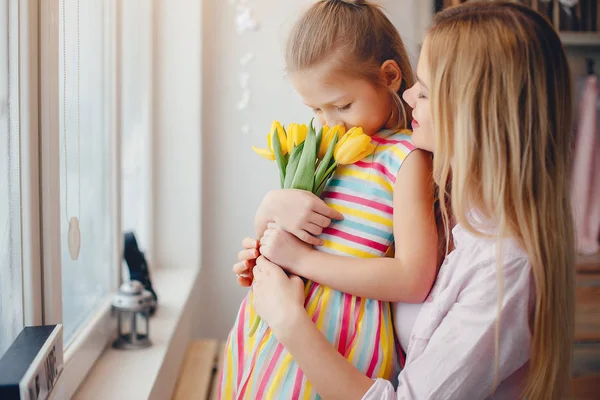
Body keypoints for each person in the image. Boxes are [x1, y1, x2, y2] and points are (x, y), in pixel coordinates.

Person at [241, 2, 576, 399]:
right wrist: (271, 230)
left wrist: (288, 319)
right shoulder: (450, 206)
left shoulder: (503, 267)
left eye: (428, 90)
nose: (409, 93)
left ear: (476, 113)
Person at [220, 0, 440, 398]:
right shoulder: (320, 144)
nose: (330, 121)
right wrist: (268, 217)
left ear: (389, 76)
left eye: (341, 105)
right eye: (316, 109)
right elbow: (285, 236)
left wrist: (300, 260)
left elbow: (414, 278)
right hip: (276, 323)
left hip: (341, 338)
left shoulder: (405, 159)